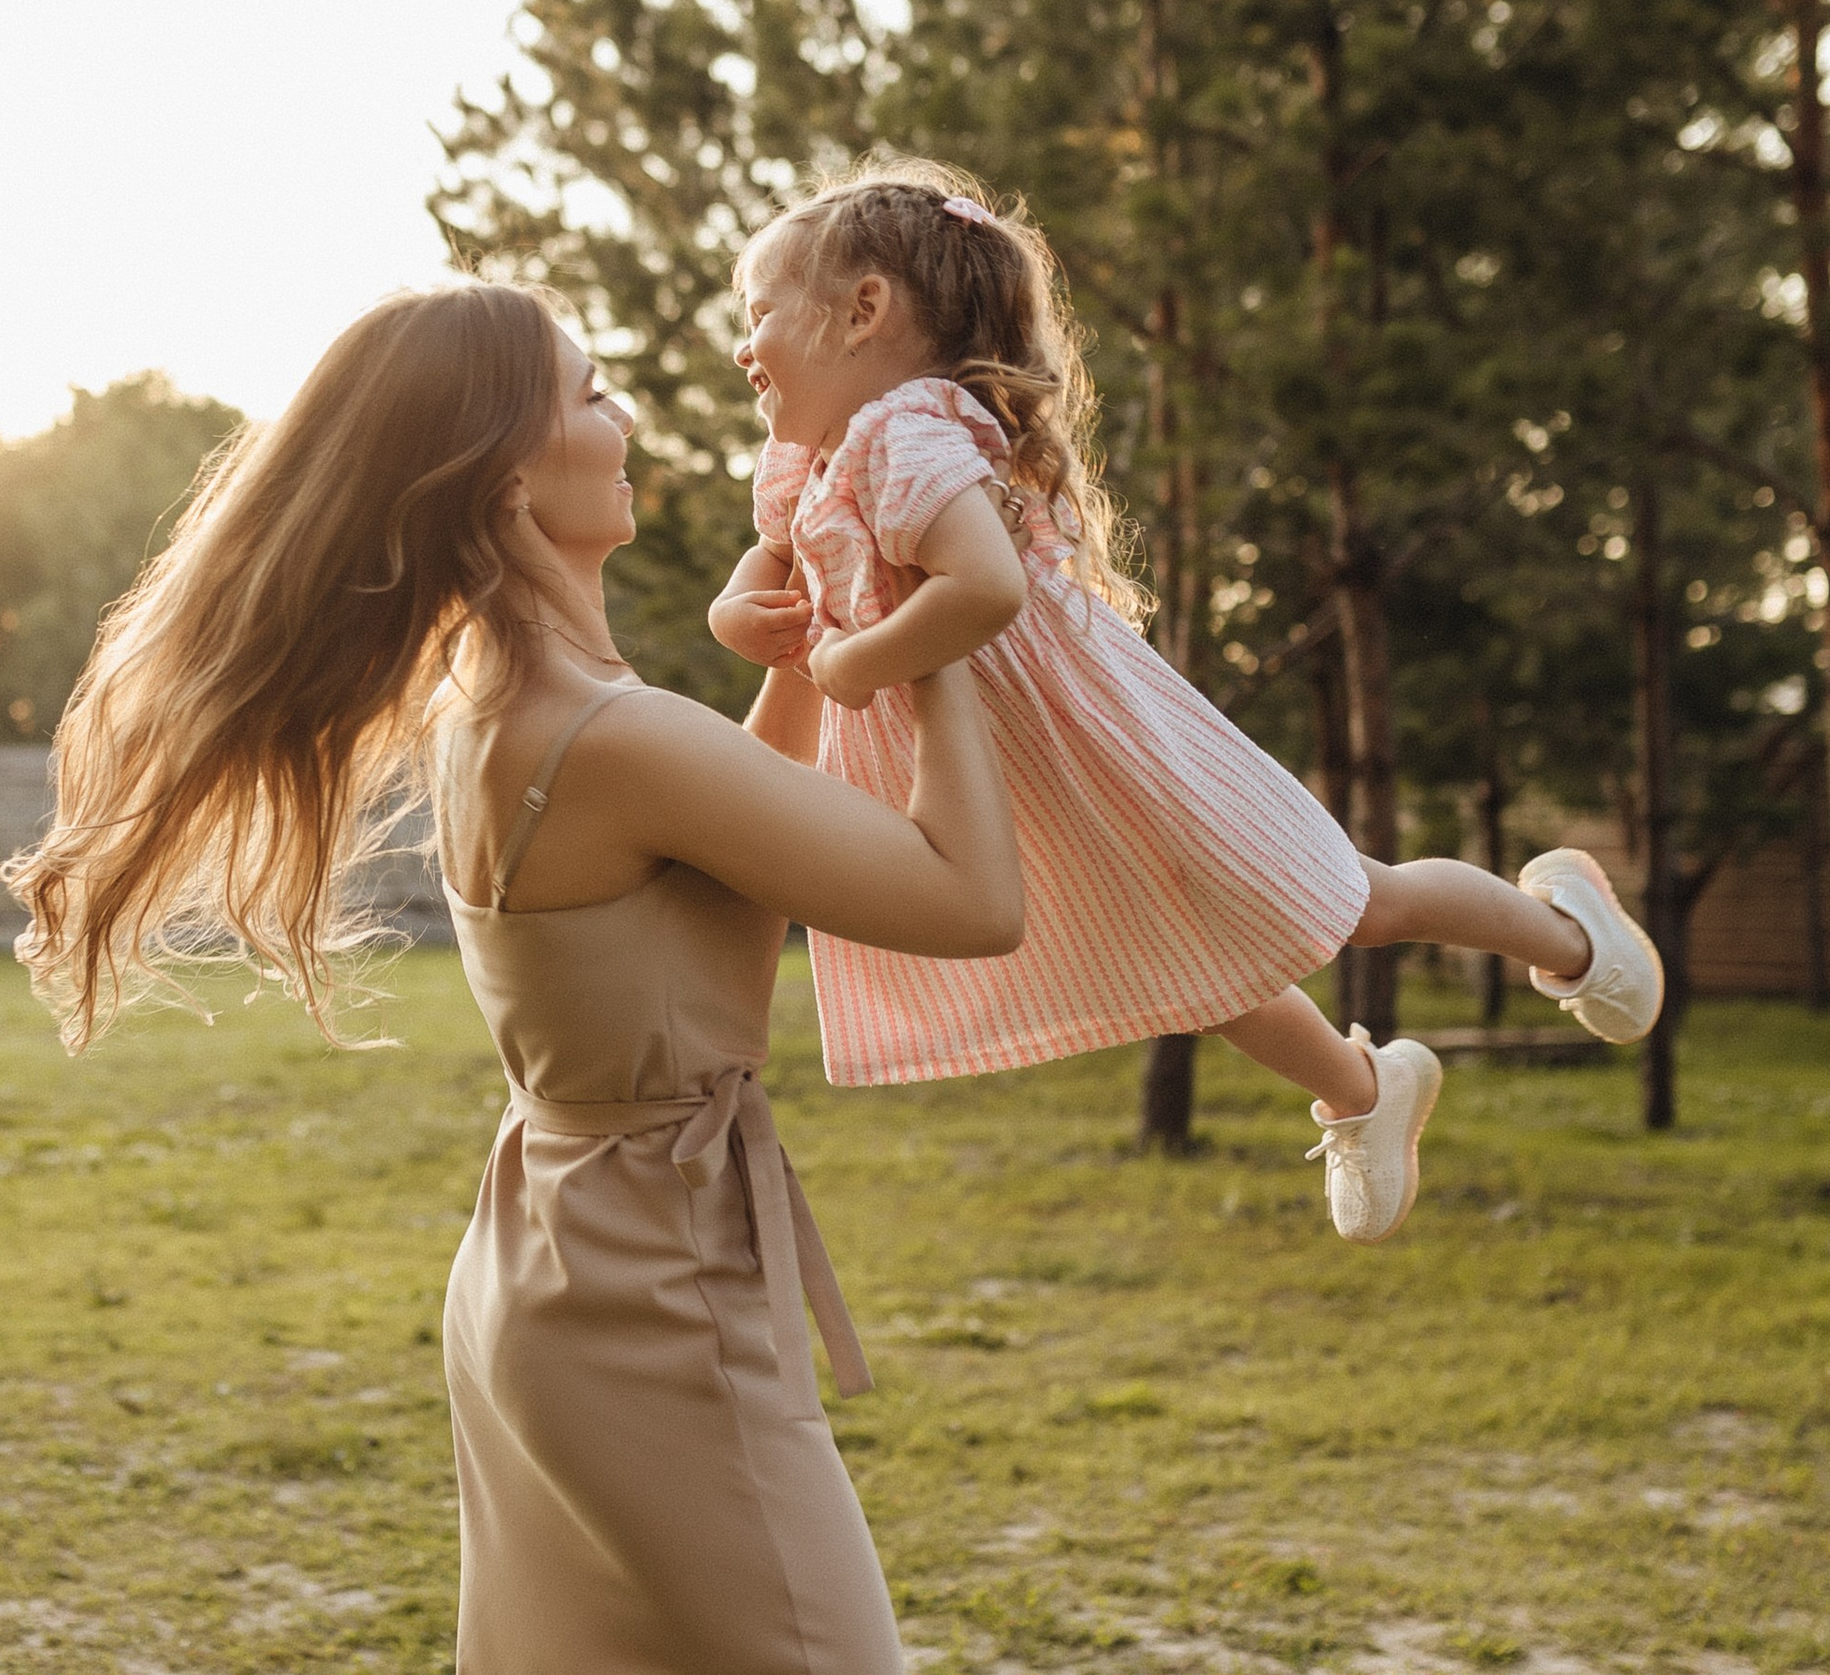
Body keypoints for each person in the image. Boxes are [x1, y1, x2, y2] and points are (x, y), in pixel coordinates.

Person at [6, 278, 1025, 1675]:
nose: (627, 404)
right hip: (651, 1293)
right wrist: (940, 627)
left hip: (556, 1262)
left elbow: (730, 854)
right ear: (502, 477)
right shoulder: (604, 728)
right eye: (585, 389)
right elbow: (967, 898)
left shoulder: (535, 710)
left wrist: (800, 647)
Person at [710, 159, 1664, 1245]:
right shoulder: (809, 461)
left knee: (1355, 896)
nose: (744, 348)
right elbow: (767, 567)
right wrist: (739, 616)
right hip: (998, 774)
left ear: (862, 311)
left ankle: (1565, 930)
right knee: (1173, 957)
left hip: (1088, 736)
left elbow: (984, 589)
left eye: (759, 315)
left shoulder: (906, 433)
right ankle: (1362, 1090)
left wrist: (856, 665)